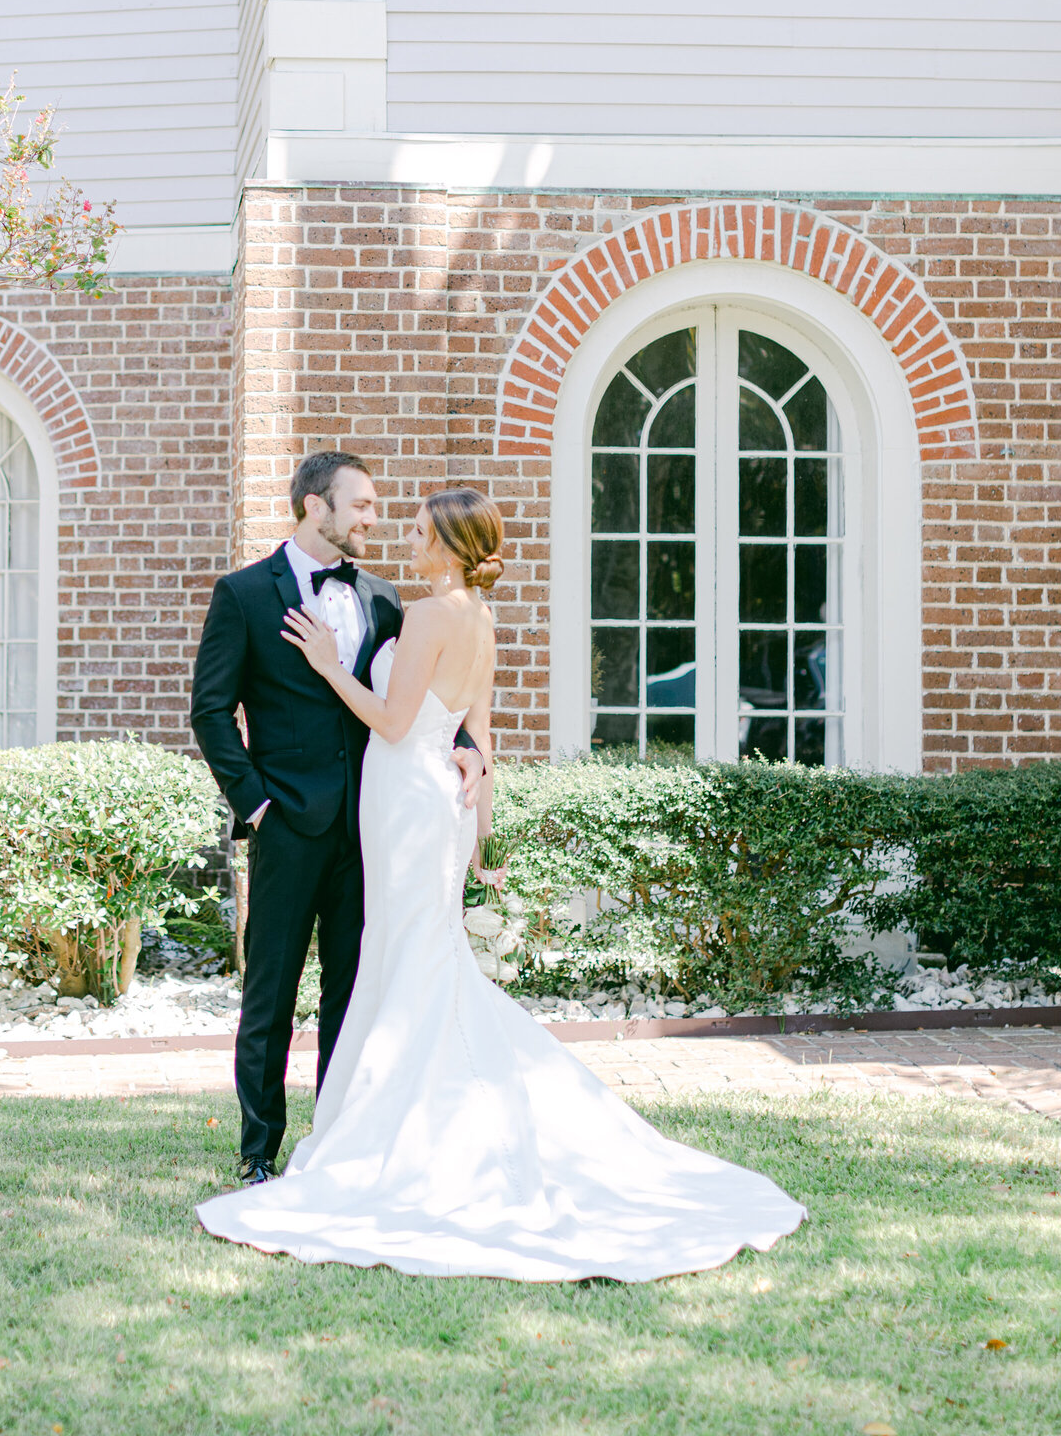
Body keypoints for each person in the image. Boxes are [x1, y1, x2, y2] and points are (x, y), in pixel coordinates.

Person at [196, 486, 806, 1284]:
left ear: (447, 545)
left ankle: (379, 1131)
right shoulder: (476, 617)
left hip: (398, 803)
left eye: (414, 530)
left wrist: (322, 661)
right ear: (316, 504)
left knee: (392, 962)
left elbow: (391, 718)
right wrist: (481, 815)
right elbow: (477, 732)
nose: (398, 536)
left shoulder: (412, 610)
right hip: (409, 806)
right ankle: (304, 1137)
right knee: (397, 960)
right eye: (378, 511)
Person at [190, 451, 486, 1184]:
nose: (372, 519)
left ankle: (338, 1141)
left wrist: (472, 749)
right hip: (287, 826)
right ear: (314, 508)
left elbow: (428, 701)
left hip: (375, 832)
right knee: (272, 992)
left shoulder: (386, 598)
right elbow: (210, 710)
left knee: (354, 995)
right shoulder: (244, 594)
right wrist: (255, 805)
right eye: (360, 506)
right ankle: (259, 1150)